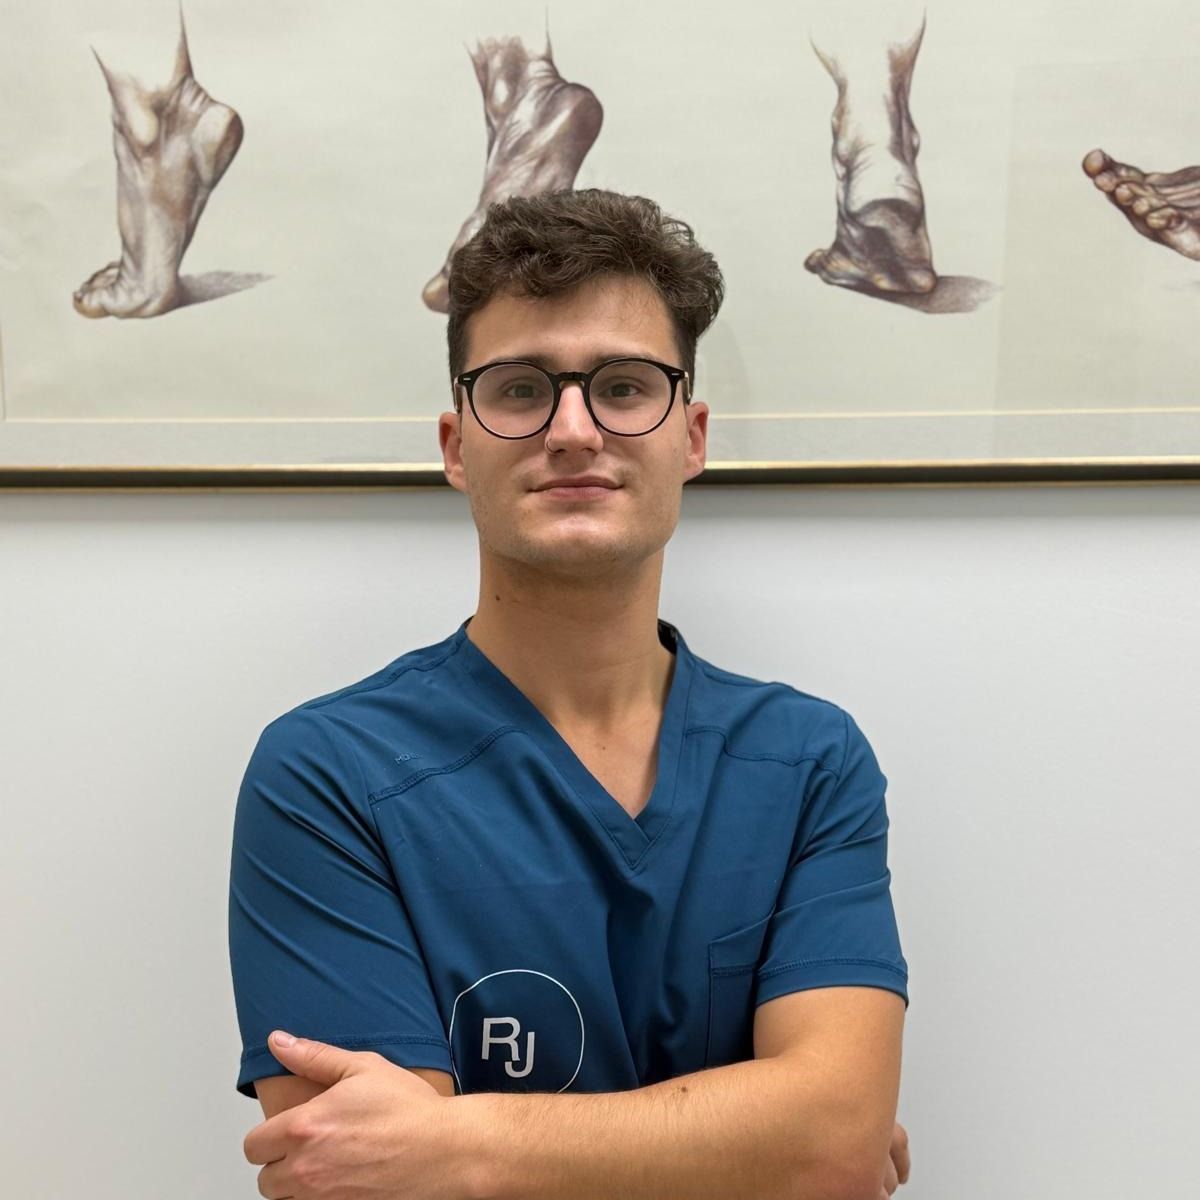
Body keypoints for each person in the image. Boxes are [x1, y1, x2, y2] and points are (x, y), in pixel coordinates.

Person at [229, 188, 912, 1199]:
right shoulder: (329, 773)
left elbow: (834, 1142)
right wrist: (762, 1134)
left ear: (692, 437)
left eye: (625, 387)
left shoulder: (808, 760)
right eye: (520, 390)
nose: (575, 430)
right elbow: (360, 1178)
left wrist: (457, 1144)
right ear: (456, 444)